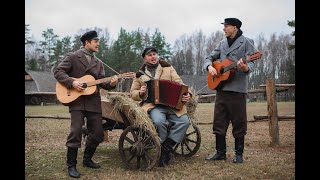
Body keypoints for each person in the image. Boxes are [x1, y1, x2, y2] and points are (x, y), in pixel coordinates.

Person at [54, 30, 119, 178]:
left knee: (97, 133)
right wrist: (72, 82)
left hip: (93, 102)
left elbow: (103, 83)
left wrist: (113, 83)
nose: (98, 44)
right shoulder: (72, 57)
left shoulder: (99, 63)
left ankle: (87, 159)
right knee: (75, 132)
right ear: (87, 42)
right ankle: (71, 165)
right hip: (76, 101)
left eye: (98, 41)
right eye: (95, 41)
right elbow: (58, 72)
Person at [203, 18, 256, 164]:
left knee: (239, 122)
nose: (224, 29)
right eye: (224, 26)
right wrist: (210, 67)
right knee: (219, 121)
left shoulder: (247, 42)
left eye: (226, 26)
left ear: (235, 27)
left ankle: (239, 155)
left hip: (238, 89)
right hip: (221, 89)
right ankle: (220, 153)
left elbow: (252, 61)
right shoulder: (222, 43)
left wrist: (246, 67)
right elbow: (209, 58)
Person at [130, 46, 192, 167]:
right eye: (150, 55)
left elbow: (179, 82)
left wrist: (187, 93)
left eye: (154, 54)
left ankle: (166, 148)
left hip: (172, 105)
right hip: (153, 106)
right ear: (145, 59)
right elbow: (132, 93)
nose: (153, 56)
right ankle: (162, 148)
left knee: (184, 121)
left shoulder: (168, 68)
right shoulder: (139, 75)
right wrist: (140, 93)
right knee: (158, 121)